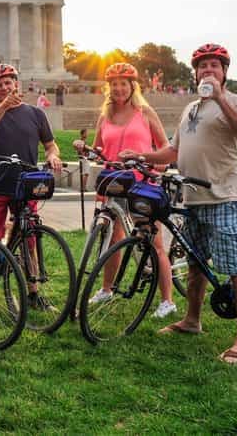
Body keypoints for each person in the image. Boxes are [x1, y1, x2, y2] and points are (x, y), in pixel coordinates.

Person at [119, 43, 237, 364]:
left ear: (224, 72)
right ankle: (192, 321)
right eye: (202, 66)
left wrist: (221, 98)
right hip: (193, 200)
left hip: (226, 197)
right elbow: (173, 152)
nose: (207, 70)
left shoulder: (236, 101)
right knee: (195, 265)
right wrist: (142, 155)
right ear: (195, 73)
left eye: (214, 65)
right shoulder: (191, 108)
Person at [73, 63, 176, 319]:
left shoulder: (145, 112)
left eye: (123, 83)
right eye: (114, 84)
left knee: (155, 242)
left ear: (132, 86)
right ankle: (107, 289)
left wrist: (152, 164)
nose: (119, 88)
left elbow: (165, 147)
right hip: (114, 184)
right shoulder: (105, 116)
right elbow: (99, 151)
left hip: (141, 184)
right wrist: (84, 148)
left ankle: (167, 301)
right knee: (112, 239)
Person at [0, 64, 62, 310]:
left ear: (16, 83)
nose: (5, 87)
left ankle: (33, 293)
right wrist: (4, 105)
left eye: (8, 82)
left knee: (30, 239)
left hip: (26, 185)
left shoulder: (36, 114)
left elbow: (50, 144)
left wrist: (53, 155)